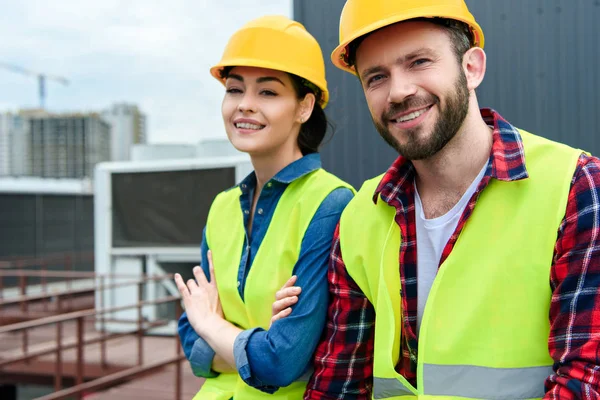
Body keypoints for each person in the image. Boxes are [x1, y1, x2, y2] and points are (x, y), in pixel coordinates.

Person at [271, 0, 600, 398]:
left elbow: (586, 382)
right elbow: (338, 382)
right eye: (376, 77)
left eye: (419, 62)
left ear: (472, 67)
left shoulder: (575, 186)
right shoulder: (361, 215)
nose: (398, 91)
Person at [173, 15, 354, 400]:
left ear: (304, 107)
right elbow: (191, 343)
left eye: (268, 93)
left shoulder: (330, 203)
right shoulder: (222, 207)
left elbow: (283, 362)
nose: (245, 106)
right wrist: (239, 342)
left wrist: (211, 323)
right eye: (235, 90)